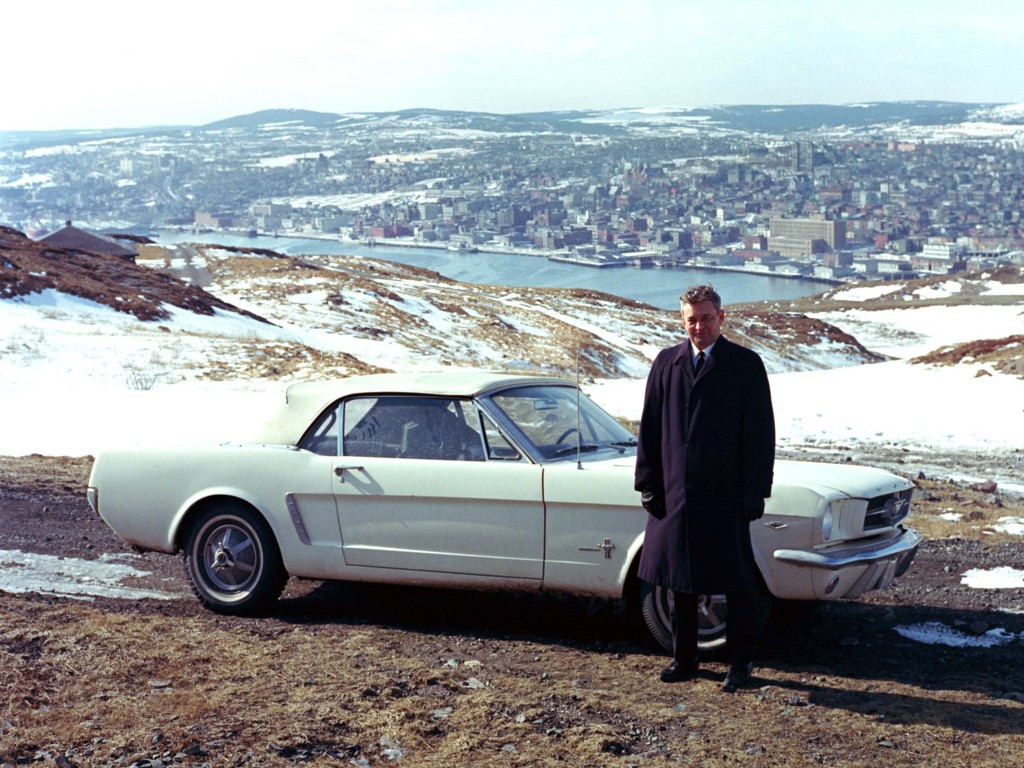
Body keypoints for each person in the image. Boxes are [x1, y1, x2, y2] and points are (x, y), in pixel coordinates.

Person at [634, 284, 775, 692]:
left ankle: (740, 664)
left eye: (707, 318)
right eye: (692, 319)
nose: (699, 326)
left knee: (736, 581)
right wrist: (648, 483)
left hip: (725, 493)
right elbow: (651, 427)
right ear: (683, 321)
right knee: (678, 578)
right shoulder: (666, 363)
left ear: (722, 318)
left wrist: (755, 491)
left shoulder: (745, 364)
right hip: (675, 491)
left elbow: (761, 433)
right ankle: (685, 659)